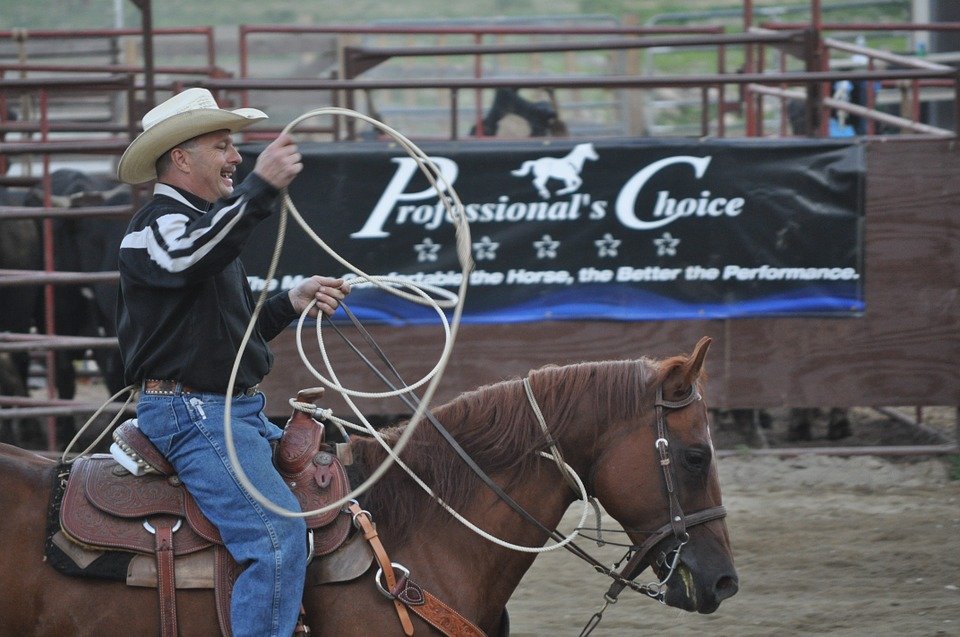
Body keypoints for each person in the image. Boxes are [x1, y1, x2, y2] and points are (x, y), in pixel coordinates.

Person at [115, 87, 349, 637]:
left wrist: (290, 303)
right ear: (181, 157)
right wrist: (261, 187)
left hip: (223, 411)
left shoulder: (200, 227)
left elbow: (234, 334)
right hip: (192, 415)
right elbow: (187, 257)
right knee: (274, 540)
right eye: (222, 145)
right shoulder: (156, 228)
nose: (236, 157)